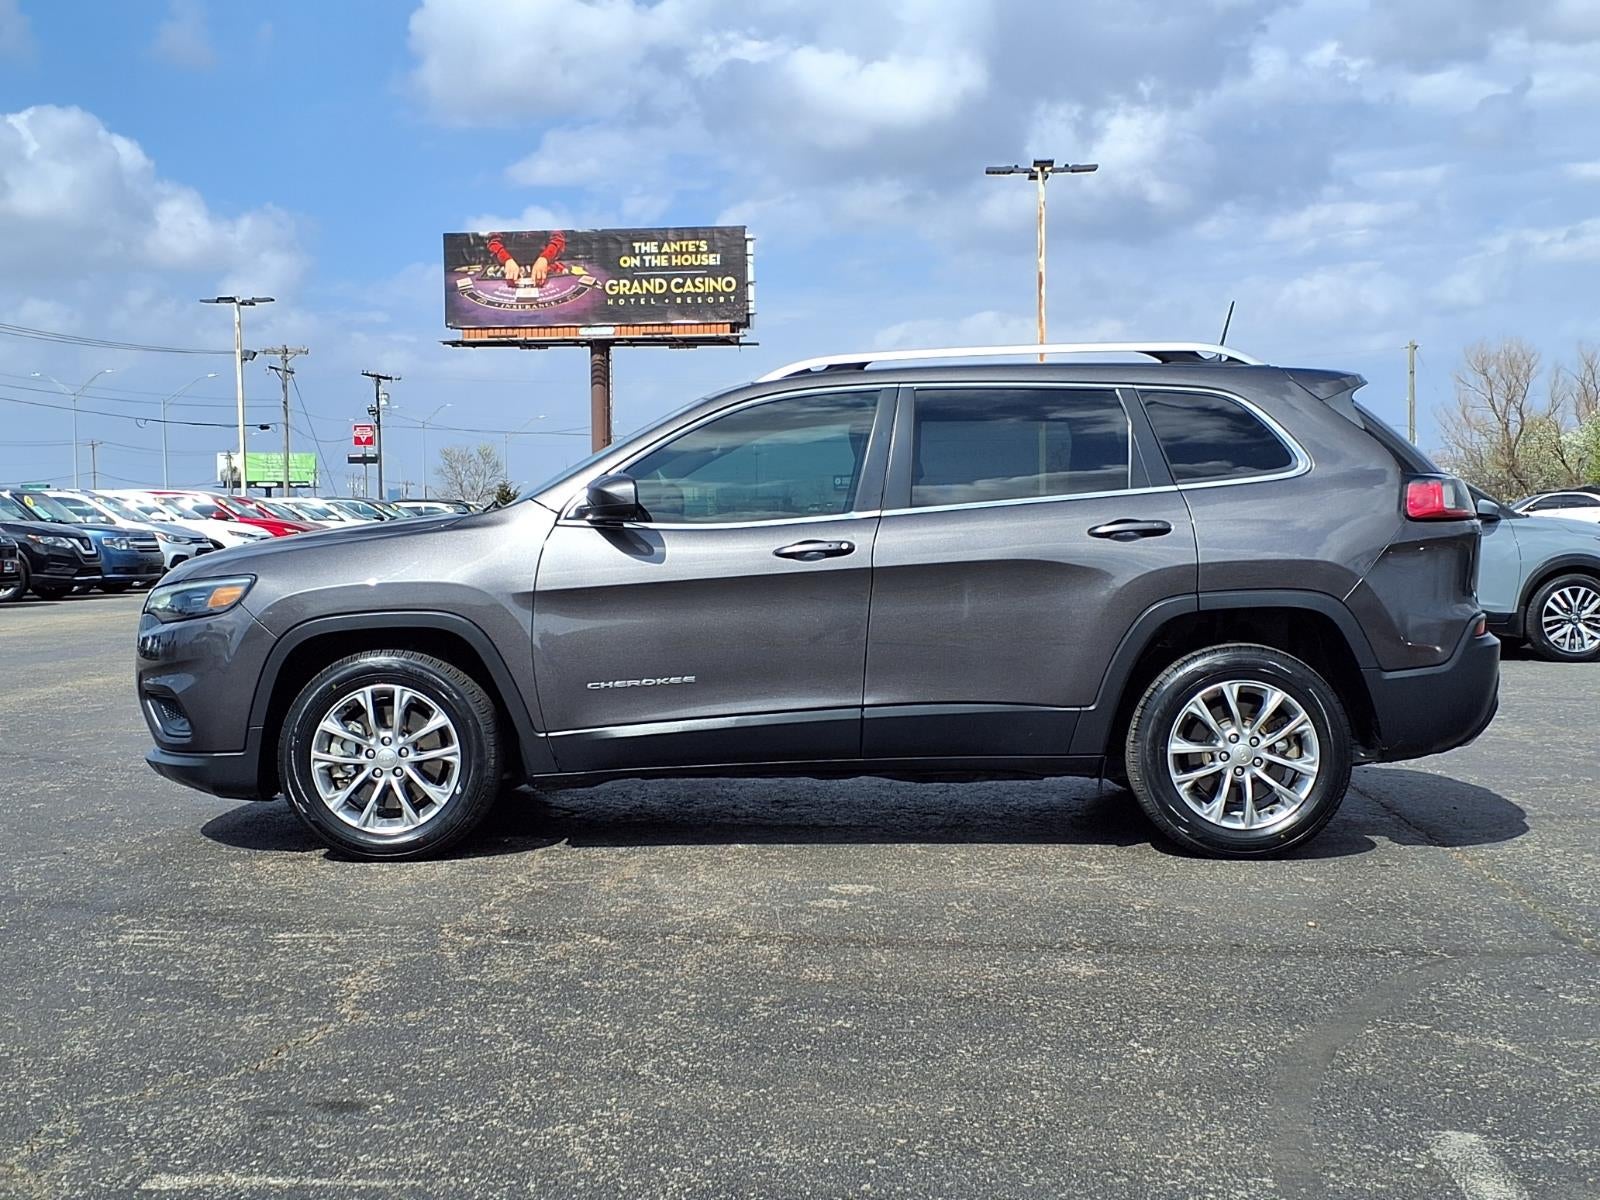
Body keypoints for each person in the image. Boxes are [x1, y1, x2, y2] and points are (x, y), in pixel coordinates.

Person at [486, 231, 566, 285]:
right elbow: (494, 242)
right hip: (509, 267)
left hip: (544, 267)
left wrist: (544, 258)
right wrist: (507, 260)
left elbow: (557, 239)